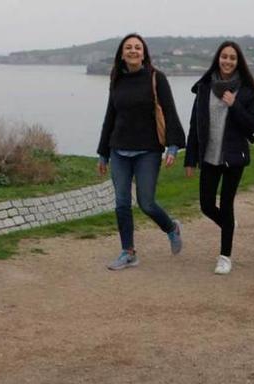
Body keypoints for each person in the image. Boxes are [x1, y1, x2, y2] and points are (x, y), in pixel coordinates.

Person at [97, 33, 186, 270]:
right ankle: (128, 252)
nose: (133, 51)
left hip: (148, 150)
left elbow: (169, 111)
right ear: (122, 53)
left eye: (138, 47)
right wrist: (103, 152)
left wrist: (173, 146)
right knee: (122, 203)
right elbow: (110, 116)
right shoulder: (116, 78)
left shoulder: (157, 78)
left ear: (144, 53)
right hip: (119, 150)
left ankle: (171, 228)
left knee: (146, 203)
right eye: (128, 47)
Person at [184, 41, 254, 275]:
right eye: (224, 56)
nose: (227, 61)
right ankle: (229, 225)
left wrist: (235, 104)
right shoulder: (205, 87)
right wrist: (190, 159)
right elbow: (194, 125)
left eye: (232, 58)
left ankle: (224, 257)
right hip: (209, 156)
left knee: (227, 205)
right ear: (217, 59)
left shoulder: (247, 91)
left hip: (233, 157)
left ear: (238, 62)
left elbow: (253, 125)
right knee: (207, 205)